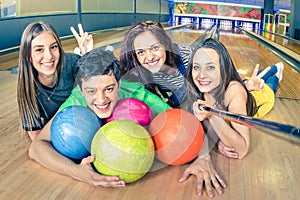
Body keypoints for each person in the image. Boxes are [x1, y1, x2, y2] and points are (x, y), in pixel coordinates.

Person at [28, 48, 170, 187]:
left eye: (109, 89)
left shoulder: (139, 95)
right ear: (81, 90)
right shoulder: (77, 101)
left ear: (119, 85)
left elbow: (183, 129)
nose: (101, 99)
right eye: (91, 91)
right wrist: (76, 171)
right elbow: (36, 147)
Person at [185, 38, 284, 159]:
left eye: (210, 67)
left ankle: (276, 70)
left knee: (271, 83)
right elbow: (207, 124)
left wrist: (212, 115)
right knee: (254, 78)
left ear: (223, 69)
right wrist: (218, 142)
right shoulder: (200, 88)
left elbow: (242, 150)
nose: (201, 75)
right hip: (244, 86)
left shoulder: (235, 93)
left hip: (262, 96)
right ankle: (256, 78)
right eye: (196, 67)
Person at [17, 21, 93, 140]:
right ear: (28, 56)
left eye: (53, 47)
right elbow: (37, 139)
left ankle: (79, 53)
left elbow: (97, 88)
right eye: (39, 50)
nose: (49, 56)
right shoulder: (27, 88)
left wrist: (88, 55)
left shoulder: (71, 62)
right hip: (60, 131)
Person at [120, 20, 192, 109]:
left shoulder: (189, 56)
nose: (150, 58)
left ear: (165, 44)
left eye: (155, 48)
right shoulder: (139, 71)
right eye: (141, 52)